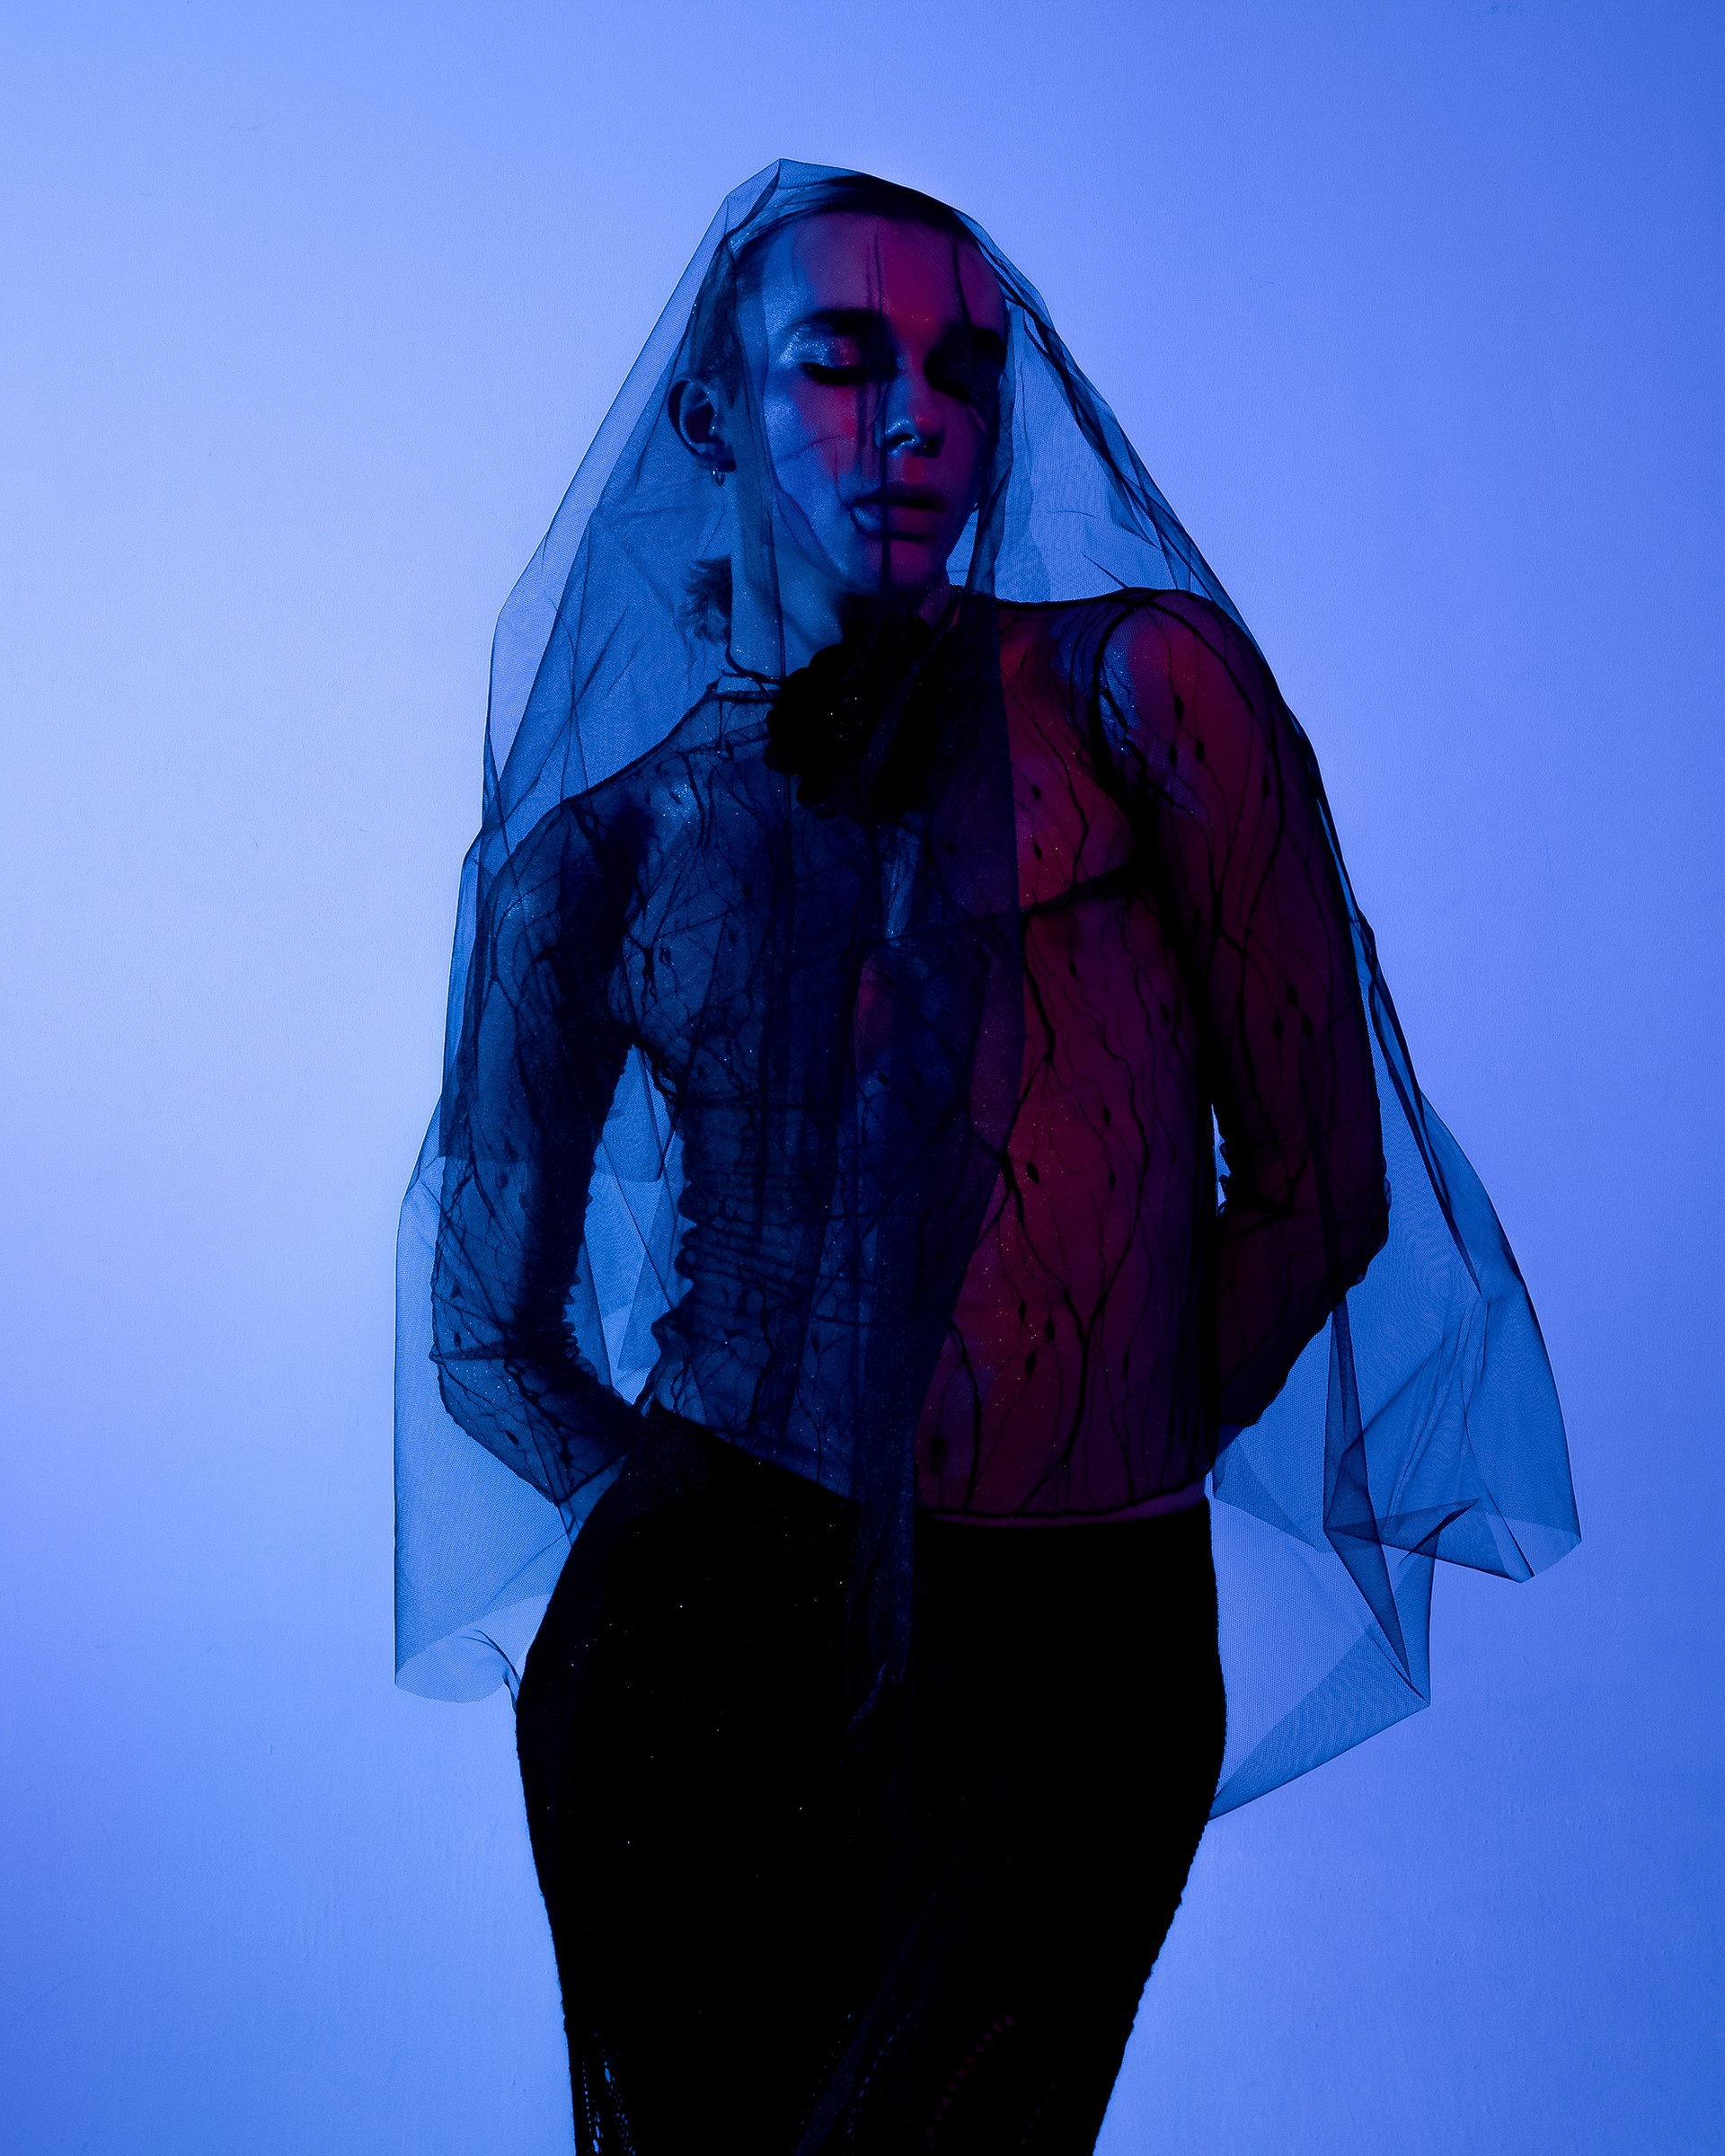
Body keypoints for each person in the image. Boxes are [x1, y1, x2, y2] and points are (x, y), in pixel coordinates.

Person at [395, 163, 1579, 2154]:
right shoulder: (595, 854)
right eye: (842, 361)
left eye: (963, 368)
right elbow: (483, 1336)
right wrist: (713, 1550)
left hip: (1076, 1646)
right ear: (713, 414)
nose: (918, 420)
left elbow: (1324, 1183)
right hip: (696, 1658)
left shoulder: (1147, 694)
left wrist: (1084, 1491)